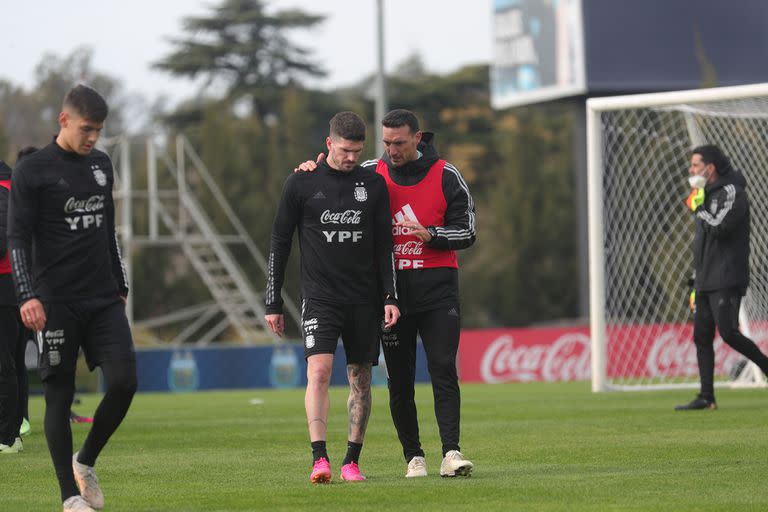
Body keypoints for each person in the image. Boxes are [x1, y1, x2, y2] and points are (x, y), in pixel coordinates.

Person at [299, 109, 476, 478]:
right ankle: (414, 457)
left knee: (443, 368)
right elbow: (335, 172)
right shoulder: (370, 172)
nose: (390, 150)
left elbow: (469, 231)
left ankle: (452, 453)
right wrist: (312, 168)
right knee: (400, 380)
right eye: (386, 143)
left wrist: (433, 235)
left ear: (417, 138)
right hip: (390, 297)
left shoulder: (446, 175)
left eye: (398, 143)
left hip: (438, 292)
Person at [7, 85, 137, 512]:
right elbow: (18, 239)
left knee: (124, 382)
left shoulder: (101, 165)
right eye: (86, 129)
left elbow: (108, 230)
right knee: (58, 394)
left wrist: (120, 286)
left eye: (99, 130)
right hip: (54, 301)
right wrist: (28, 295)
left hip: (101, 297)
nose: (93, 138)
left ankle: (86, 460)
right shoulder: (34, 171)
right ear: (64, 121)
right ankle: (68, 496)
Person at [265, 111, 400, 484]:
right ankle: (319, 458)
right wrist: (272, 301)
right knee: (319, 371)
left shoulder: (373, 186)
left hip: (364, 299)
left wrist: (390, 295)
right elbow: (279, 242)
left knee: (360, 379)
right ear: (329, 144)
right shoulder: (301, 183)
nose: (351, 157)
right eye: (344, 150)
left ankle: (351, 461)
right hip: (321, 297)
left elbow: (384, 245)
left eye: (358, 151)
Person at [677, 144, 768, 410]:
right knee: (701, 336)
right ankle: (707, 397)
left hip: (726, 277)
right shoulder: (705, 194)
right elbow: (705, 241)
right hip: (706, 279)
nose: (691, 170)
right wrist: (697, 275)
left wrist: (698, 208)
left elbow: (719, 227)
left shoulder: (732, 192)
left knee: (728, 332)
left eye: (695, 164)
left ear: (710, 167)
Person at [0, 157, 26, 453]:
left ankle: (6, 436)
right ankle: (13, 433)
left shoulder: (2, 189)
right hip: (19, 284)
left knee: (5, 363)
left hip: (5, 286)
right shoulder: (14, 185)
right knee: (14, 362)